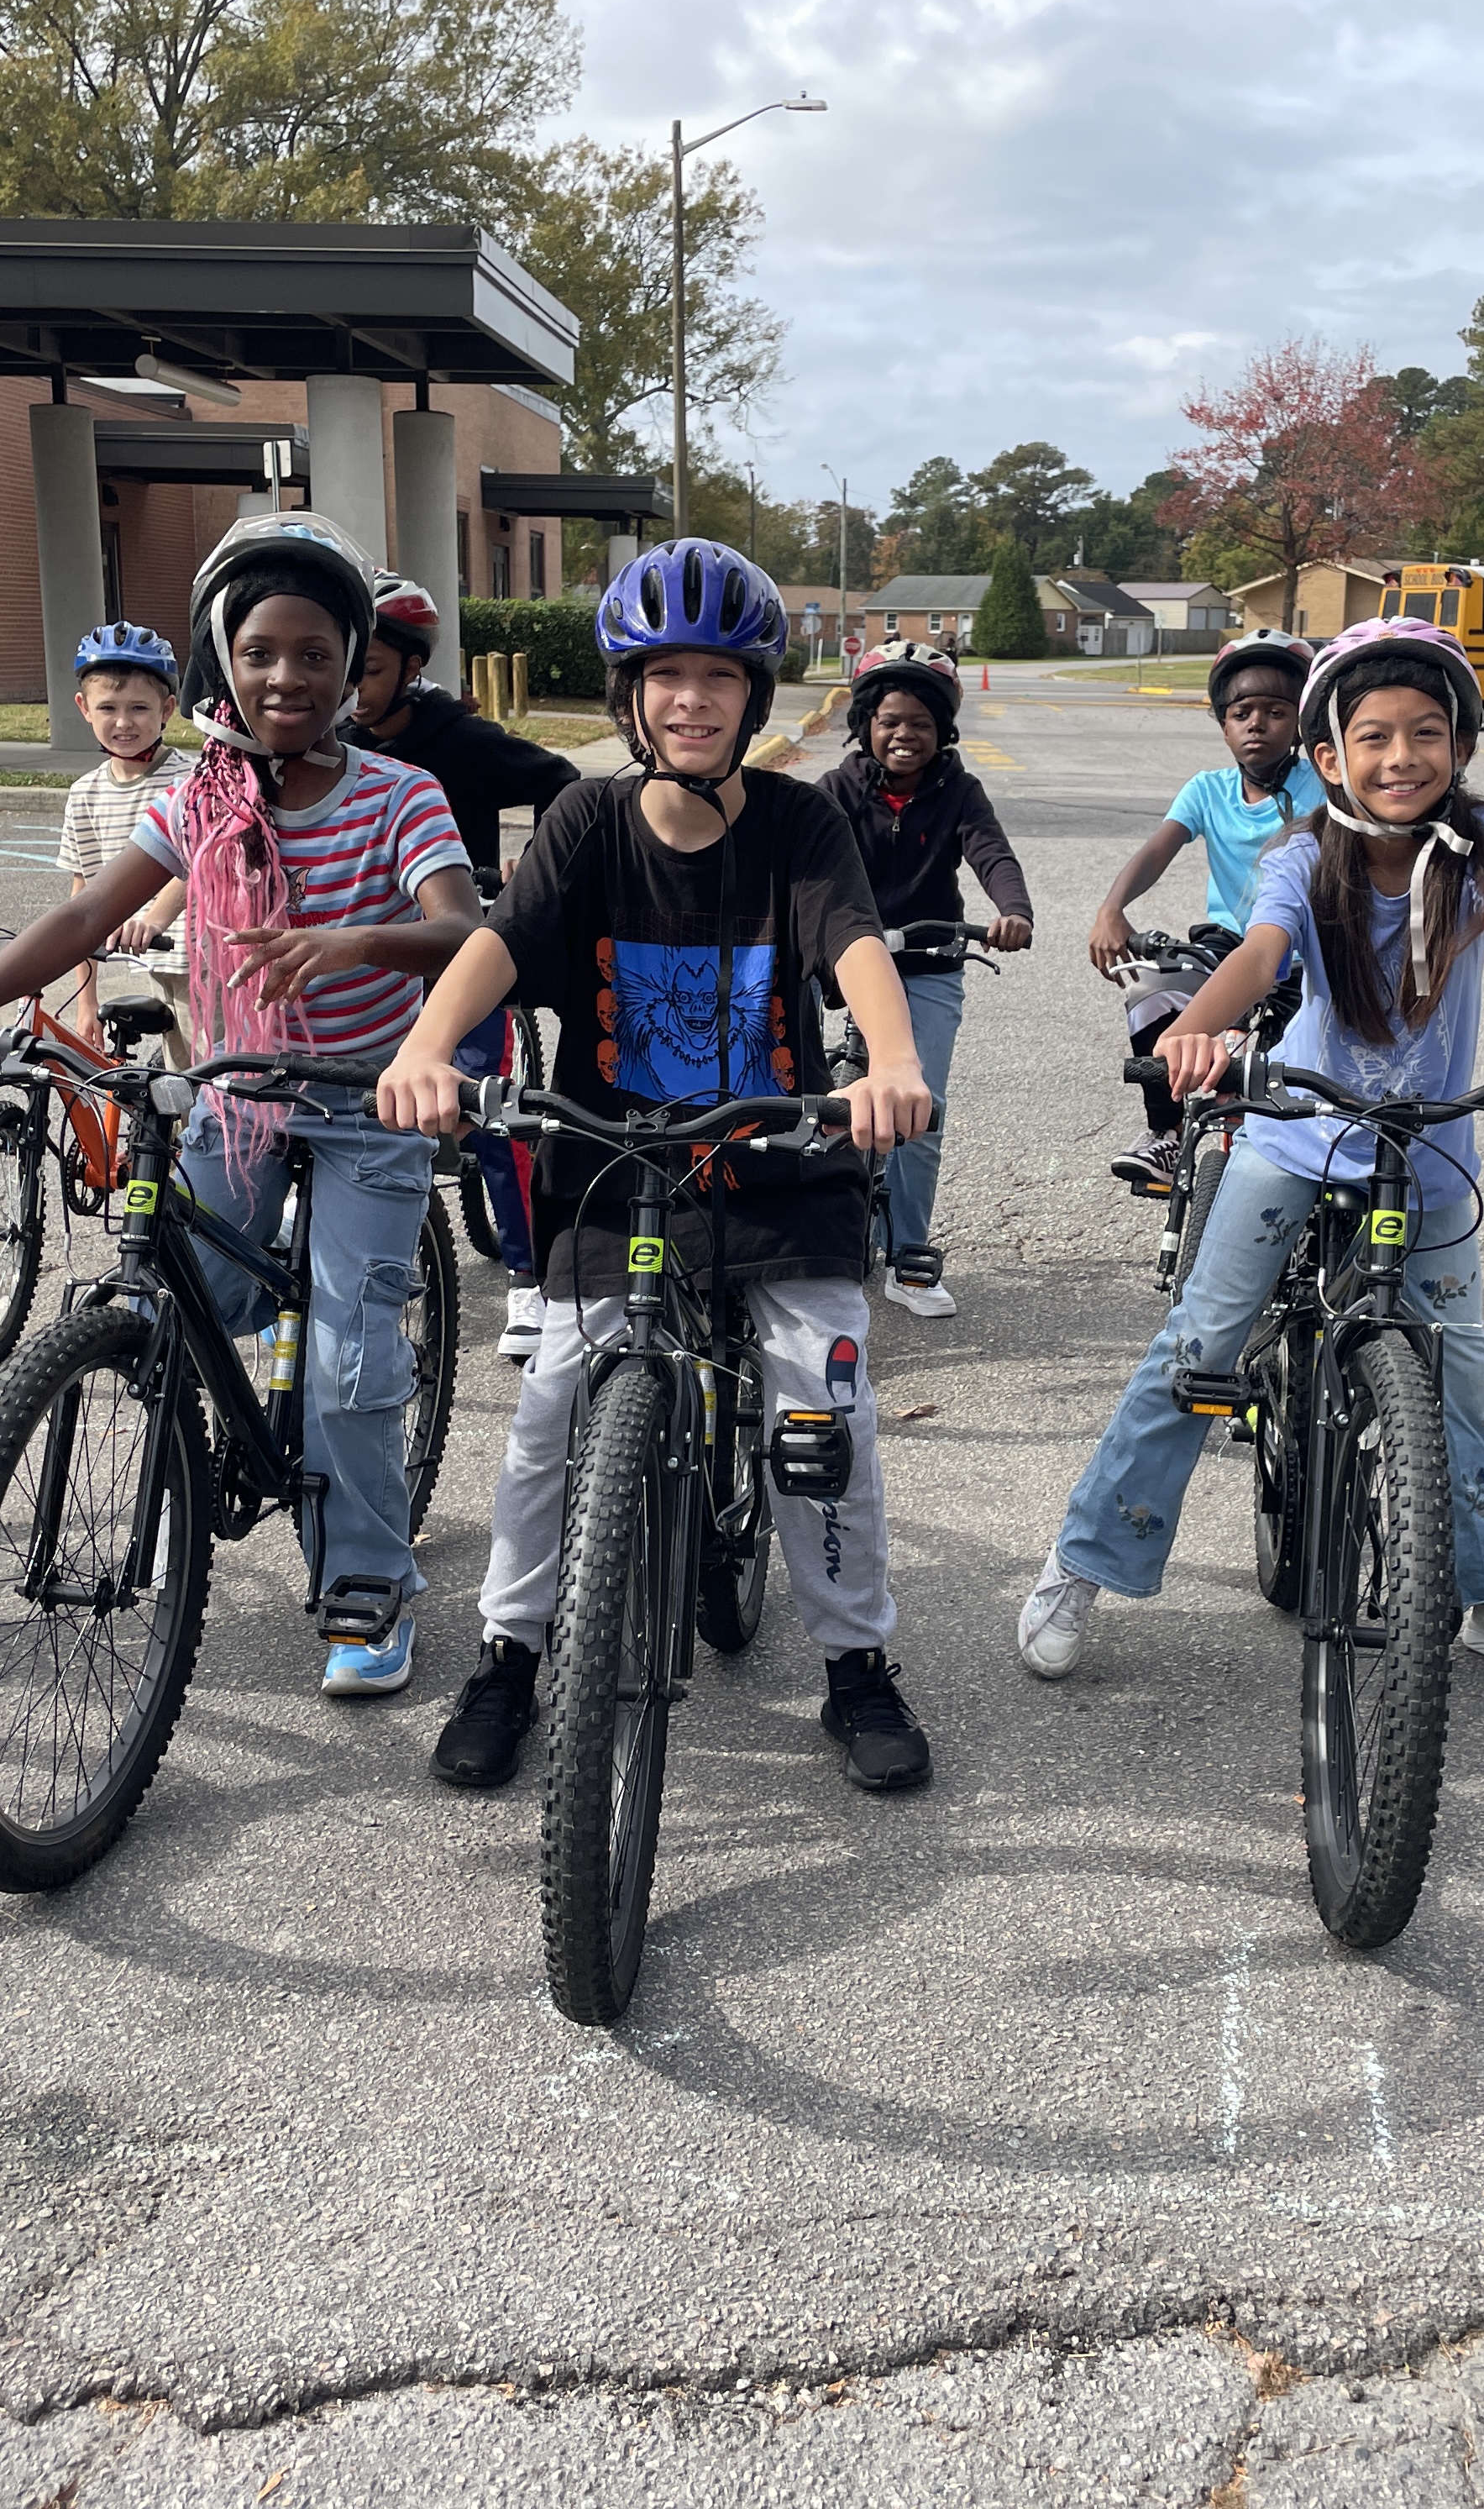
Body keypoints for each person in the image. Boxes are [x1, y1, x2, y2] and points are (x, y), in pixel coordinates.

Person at [374, 538, 941, 1796]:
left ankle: (853, 1665)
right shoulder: (585, 818)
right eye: (667, 675)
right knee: (548, 1419)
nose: (694, 700)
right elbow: (501, 940)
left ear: (758, 696)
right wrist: (424, 1047)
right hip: (614, 1163)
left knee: (821, 1406)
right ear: (631, 695)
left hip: (781, 1158)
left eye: (721, 677)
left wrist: (889, 1062)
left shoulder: (800, 821)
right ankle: (511, 1657)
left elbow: (852, 942)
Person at [0, 513, 480, 1698]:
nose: (289, 678)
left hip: (370, 1102)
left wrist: (357, 934)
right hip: (238, 1091)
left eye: (318, 654)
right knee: (167, 1302)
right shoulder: (200, 801)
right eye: (261, 652)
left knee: (350, 1351)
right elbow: (83, 919)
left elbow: (464, 928)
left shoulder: (399, 794)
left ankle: (365, 1578)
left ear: (353, 662)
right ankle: (191, 1454)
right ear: (223, 660)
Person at [1018, 620, 1484, 1688]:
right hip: (1294, 1140)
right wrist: (1193, 1031)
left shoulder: (1481, 842)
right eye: (1377, 737)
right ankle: (1084, 1564)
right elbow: (1261, 954)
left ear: (1463, 743)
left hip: (1429, 1156)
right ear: (1329, 758)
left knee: (1464, 1383)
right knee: (1203, 1348)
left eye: (1428, 734)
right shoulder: (1304, 852)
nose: (1404, 758)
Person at [342, 570, 586, 1359]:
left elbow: (562, 783)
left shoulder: (463, 742)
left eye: (370, 670)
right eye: (344, 666)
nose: (351, 687)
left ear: (412, 668)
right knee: (359, 1108)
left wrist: (529, 863)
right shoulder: (333, 746)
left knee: (488, 1118)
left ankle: (530, 1276)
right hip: (370, 962)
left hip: (462, 954)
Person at [816, 641, 1032, 1318]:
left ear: (942, 731)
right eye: (889, 721)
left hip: (927, 963)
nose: (904, 735)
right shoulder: (838, 790)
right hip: (846, 961)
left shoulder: (958, 791)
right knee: (804, 1101)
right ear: (864, 726)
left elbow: (990, 852)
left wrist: (1013, 909)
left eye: (920, 723)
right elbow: (801, 860)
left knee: (918, 1109)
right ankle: (809, 1237)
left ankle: (908, 1253)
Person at [1088, 629, 1324, 1193]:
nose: (1256, 723)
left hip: (1307, 950)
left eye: (1275, 710)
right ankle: (1166, 1134)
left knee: (1284, 1083)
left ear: (1302, 723)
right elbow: (1156, 851)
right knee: (1149, 983)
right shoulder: (1207, 790)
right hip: (1227, 946)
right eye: (1241, 711)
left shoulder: (1324, 785)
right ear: (1222, 723)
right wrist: (1112, 908)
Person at [53, 622, 191, 1042]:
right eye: (109, 707)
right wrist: (86, 1001)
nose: (123, 722)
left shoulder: (192, 780)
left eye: (139, 708)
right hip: (152, 962)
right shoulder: (85, 794)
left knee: (213, 1090)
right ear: (84, 707)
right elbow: (85, 896)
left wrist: (152, 919)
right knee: (172, 1087)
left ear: (167, 710)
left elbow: (200, 867)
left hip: (207, 962)